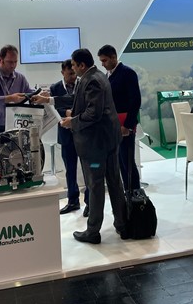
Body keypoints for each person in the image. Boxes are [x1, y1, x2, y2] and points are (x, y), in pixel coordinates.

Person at [34, 49, 128, 244]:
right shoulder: (97, 76)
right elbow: (77, 99)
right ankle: (122, 224)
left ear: (82, 65)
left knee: (95, 184)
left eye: (74, 66)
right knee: (114, 182)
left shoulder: (91, 80)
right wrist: (49, 100)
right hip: (108, 142)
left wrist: (72, 122)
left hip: (96, 147)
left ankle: (93, 231)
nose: (73, 69)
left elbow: (93, 113)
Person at [97, 44, 141, 191]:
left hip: (124, 124)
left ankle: (134, 194)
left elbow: (135, 101)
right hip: (112, 124)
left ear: (114, 57)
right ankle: (127, 193)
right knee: (120, 162)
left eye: (104, 60)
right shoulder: (107, 76)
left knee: (127, 162)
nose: (103, 64)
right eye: (101, 61)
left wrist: (127, 125)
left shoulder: (127, 73)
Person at [50, 60, 89, 216]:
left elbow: (87, 106)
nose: (73, 76)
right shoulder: (55, 88)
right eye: (70, 73)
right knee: (70, 170)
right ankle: (73, 201)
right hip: (66, 135)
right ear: (62, 73)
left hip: (83, 134)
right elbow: (53, 108)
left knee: (87, 170)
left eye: (74, 73)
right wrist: (66, 112)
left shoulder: (83, 84)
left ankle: (90, 202)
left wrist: (74, 114)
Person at [0, 44, 37, 140]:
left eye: (15, 62)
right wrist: (9, 98)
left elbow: (29, 93)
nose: (13, 65)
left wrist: (40, 94)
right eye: (9, 62)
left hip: (10, 126)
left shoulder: (20, 78)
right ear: (1, 60)